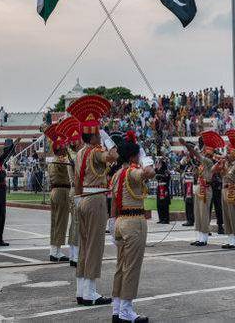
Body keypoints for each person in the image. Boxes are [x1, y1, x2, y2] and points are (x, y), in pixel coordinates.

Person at [69, 95, 118, 306]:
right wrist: (108, 139)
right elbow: (113, 156)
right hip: (95, 198)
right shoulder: (97, 151)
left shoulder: (80, 152)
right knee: (94, 246)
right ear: (96, 135)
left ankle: (82, 289)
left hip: (82, 198)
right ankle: (90, 292)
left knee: (84, 245)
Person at [110, 131, 155, 323]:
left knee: (121, 267)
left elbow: (113, 202)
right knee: (132, 267)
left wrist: (112, 224)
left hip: (119, 221)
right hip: (133, 222)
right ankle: (127, 309)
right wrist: (147, 159)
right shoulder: (131, 172)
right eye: (137, 155)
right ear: (133, 156)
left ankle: (117, 308)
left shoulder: (117, 174)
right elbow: (149, 173)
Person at [180, 132, 224, 246]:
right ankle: (199, 237)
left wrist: (186, 145)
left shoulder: (208, 161)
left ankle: (203, 238)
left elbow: (196, 154)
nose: (202, 151)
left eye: (204, 150)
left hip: (206, 188)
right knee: (198, 213)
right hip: (200, 187)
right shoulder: (202, 164)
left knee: (204, 214)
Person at [57, 116, 83, 267]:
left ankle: (74, 254)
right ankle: (75, 256)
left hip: (74, 191)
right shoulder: (72, 156)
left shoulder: (71, 156)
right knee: (77, 224)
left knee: (75, 224)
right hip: (76, 190)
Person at [44, 122, 71, 262]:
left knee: (55, 221)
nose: (66, 148)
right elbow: (71, 162)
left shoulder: (53, 160)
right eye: (64, 147)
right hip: (62, 192)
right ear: (60, 149)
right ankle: (57, 252)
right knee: (61, 222)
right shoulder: (61, 160)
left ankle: (53, 250)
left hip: (55, 191)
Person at [155, 158, 171, 224]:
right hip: (159, 187)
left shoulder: (165, 171)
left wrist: (161, 176)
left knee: (165, 204)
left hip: (164, 188)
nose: (157, 165)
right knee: (159, 204)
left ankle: (166, 219)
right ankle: (161, 218)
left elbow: (168, 178)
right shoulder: (157, 170)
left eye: (159, 163)